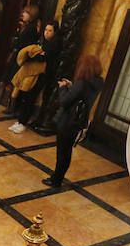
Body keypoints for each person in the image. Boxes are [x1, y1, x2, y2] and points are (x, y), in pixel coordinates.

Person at [44, 54, 104, 188]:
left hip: (68, 121)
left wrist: (63, 88)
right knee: (67, 152)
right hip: (79, 121)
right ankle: (58, 177)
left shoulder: (82, 83)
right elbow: (82, 96)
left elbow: (65, 102)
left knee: (62, 153)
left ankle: (56, 180)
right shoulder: (98, 82)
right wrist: (72, 86)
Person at [8, 21, 61, 134]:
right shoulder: (42, 42)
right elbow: (31, 54)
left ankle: (23, 123)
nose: (46, 33)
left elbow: (42, 58)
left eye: (50, 31)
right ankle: (20, 121)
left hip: (42, 76)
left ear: (55, 32)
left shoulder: (54, 45)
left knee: (30, 99)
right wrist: (36, 55)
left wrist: (36, 55)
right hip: (31, 73)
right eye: (45, 30)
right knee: (25, 96)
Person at [0, 4, 40, 116]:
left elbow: (19, 43)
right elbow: (15, 41)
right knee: (4, 81)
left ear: (31, 14)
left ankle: (9, 107)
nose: (23, 14)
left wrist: (16, 40)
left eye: (26, 12)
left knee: (12, 83)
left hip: (20, 59)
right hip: (15, 57)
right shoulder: (25, 26)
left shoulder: (31, 29)